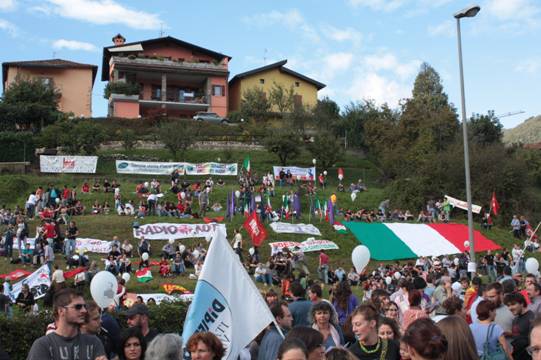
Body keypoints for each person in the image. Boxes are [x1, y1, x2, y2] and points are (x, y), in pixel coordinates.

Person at [27, 288, 106, 360]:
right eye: (78, 307)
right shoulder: (43, 346)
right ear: (61, 311)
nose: (84, 310)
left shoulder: (93, 342)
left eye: (84, 306)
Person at [504, 292, 534, 360]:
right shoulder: (515, 319)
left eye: (513, 304)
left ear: (522, 303)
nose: (510, 308)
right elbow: (519, 335)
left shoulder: (531, 318)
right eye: (508, 305)